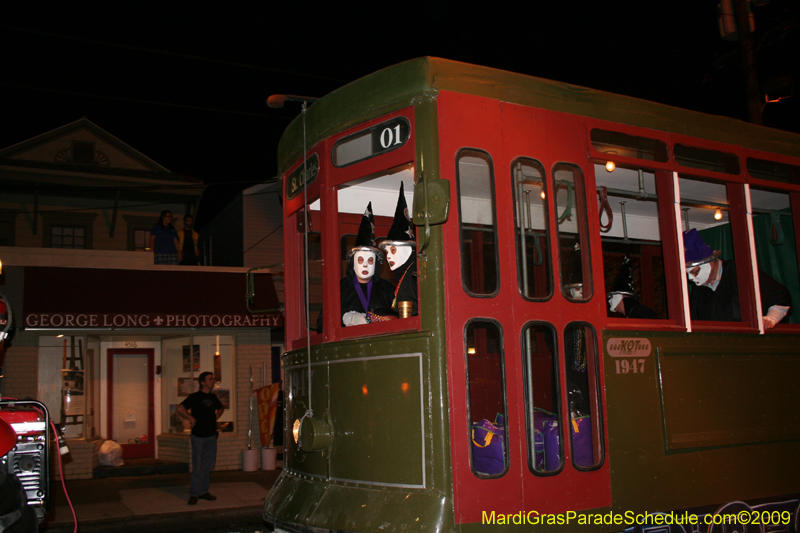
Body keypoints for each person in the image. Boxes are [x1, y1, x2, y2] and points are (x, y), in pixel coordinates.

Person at [683, 229, 791, 328]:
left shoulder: (738, 272)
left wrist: (771, 318)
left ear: (710, 262)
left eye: (695, 272)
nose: (691, 279)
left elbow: (780, 295)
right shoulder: (699, 291)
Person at [340, 202, 395, 326]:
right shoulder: (340, 290)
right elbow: (324, 325)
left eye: (370, 260)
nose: (365, 265)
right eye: (360, 260)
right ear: (353, 262)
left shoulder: (387, 290)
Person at [176, 371, 224, 505]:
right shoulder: (195, 397)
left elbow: (221, 408)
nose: (212, 381)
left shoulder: (213, 397)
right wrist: (191, 418)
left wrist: (216, 417)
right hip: (198, 436)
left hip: (211, 436)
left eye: (213, 379)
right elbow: (180, 408)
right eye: (210, 379)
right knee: (198, 466)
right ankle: (194, 493)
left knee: (208, 465)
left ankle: (203, 491)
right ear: (202, 382)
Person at [378, 182, 417, 317]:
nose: (388, 256)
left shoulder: (415, 276)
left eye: (393, 250)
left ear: (409, 249)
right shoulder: (405, 276)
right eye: (387, 252)